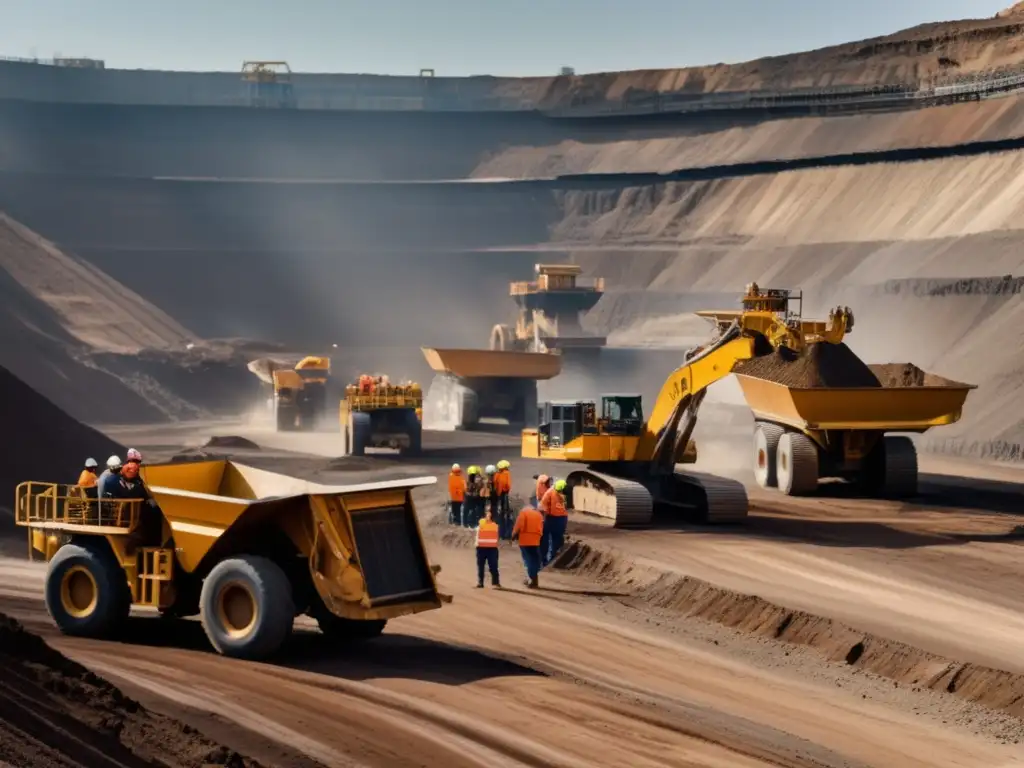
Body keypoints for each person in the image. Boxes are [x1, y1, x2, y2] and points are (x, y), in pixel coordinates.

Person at [512, 504, 544, 589]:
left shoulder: (523, 513)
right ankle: (534, 580)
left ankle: (531, 580)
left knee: (528, 560)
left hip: (525, 540)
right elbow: (541, 527)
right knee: (534, 560)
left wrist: (513, 535)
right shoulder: (539, 514)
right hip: (536, 540)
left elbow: (519, 525)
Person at [539, 478, 569, 568]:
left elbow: (565, 506)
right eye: (559, 491)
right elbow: (542, 507)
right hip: (550, 518)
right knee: (544, 539)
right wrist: (542, 520)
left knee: (557, 539)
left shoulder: (564, 493)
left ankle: (553, 560)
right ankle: (542, 559)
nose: (560, 492)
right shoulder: (549, 493)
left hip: (561, 518)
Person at [474, 507, 501, 589]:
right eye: (488, 512)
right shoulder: (483, 522)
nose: (489, 514)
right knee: (484, 566)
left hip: (490, 548)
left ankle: (494, 582)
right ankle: (481, 582)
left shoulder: (494, 525)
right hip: (482, 548)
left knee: (492, 566)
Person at [494, 460, 512, 539]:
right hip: (504, 496)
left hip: (498, 496)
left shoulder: (497, 474)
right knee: (506, 514)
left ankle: (500, 533)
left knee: (499, 514)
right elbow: (507, 485)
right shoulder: (506, 474)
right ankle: (506, 534)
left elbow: (495, 484)